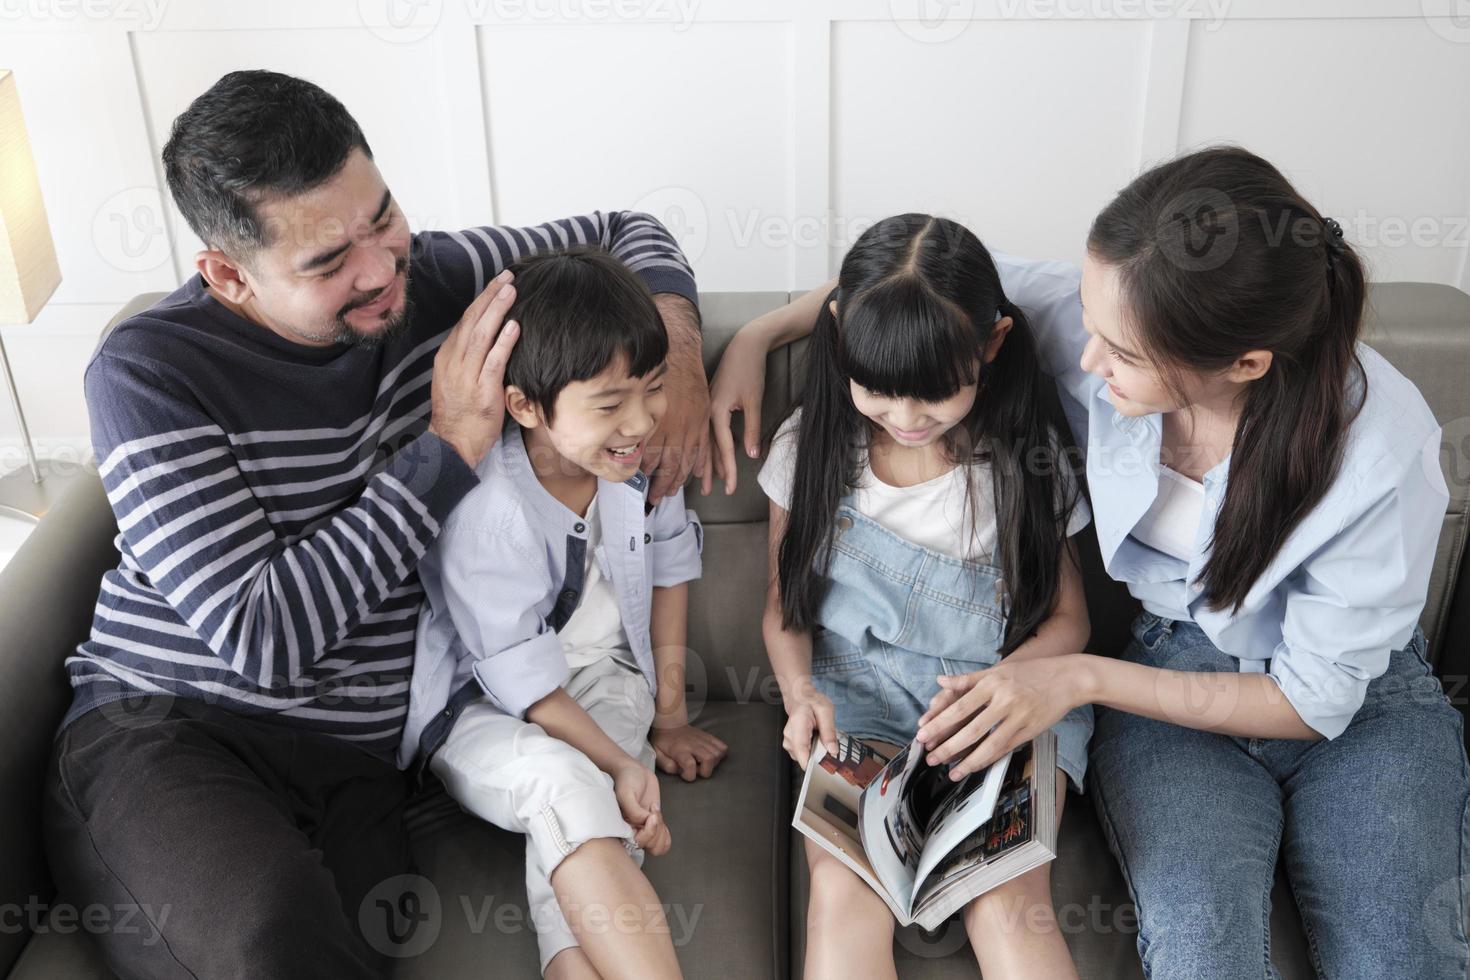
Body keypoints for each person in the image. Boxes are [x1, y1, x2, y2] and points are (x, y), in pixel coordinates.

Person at [716, 147, 1470, 980]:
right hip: (1171, 673)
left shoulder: (1378, 452)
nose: (1083, 359)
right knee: (1200, 950)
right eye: (1088, 317)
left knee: (1398, 955)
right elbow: (912, 281)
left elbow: (1313, 697)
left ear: (1245, 364)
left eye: (1123, 353)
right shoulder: (1108, 307)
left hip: (1349, 706)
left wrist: (1075, 677)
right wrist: (757, 334)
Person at [43, 69, 704, 980]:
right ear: (229, 273)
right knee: (271, 943)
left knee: (368, 943)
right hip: (172, 727)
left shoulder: (435, 277)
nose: (382, 270)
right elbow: (265, 640)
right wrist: (447, 450)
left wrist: (686, 357)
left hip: (359, 758)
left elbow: (631, 232)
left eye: (381, 218)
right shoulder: (150, 372)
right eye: (327, 262)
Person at [758, 213, 1093, 979]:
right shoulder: (806, 449)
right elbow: (784, 610)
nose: (907, 420)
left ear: (993, 345)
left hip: (1000, 704)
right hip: (859, 703)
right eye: (879, 393)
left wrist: (1009, 685)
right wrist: (799, 692)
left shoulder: (1027, 461)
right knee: (843, 893)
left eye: (937, 397)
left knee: (1006, 901)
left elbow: (1069, 620)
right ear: (839, 336)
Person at [400, 247, 728, 980]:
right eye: (610, 404)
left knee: (596, 811)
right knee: (567, 783)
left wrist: (667, 718)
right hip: (483, 708)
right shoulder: (488, 509)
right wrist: (617, 762)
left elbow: (672, 571)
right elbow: (522, 681)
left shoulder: (640, 460)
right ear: (524, 405)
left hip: (604, 684)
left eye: (652, 388)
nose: (641, 420)